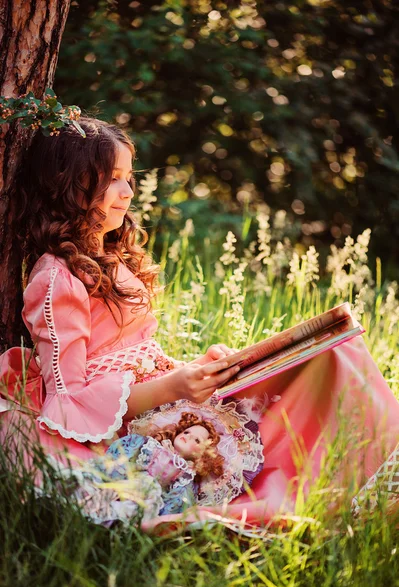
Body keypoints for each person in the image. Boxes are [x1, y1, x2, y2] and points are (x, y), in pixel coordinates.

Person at [1, 116, 399, 530]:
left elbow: (137, 355)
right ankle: (334, 497)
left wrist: (196, 366)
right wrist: (174, 387)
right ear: (71, 184)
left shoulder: (111, 257)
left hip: (167, 397)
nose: (127, 192)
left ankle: (374, 482)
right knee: (317, 370)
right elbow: (68, 397)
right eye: (112, 179)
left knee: (330, 352)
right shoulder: (55, 277)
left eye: (129, 178)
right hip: (126, 428)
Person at [63, 412, 225, 525]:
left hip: (143, 495)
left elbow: (176, 505)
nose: (188, 436)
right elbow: (120, 452)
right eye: (187, 431)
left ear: (201, 456)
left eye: (196, 440)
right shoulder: (148, 444)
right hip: (123, 476)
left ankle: (107, 516)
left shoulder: (185, 475)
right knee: (96, 483)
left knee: (135, 501)